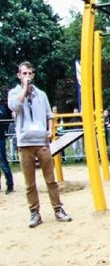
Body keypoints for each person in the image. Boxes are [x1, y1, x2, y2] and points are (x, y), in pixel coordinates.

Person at [7, 61, 72, 228]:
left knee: (51, 179)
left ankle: (58, 209)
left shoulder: (41, 94)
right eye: (24, 73)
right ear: (19, 75)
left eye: (30, 73)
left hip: (41, 141)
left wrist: (50, 130)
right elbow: (14, 106)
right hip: (24, 143)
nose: (27, 76)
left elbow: (50, 114)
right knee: (29, 183)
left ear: (33, 74)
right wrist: (24, 89)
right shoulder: (14, 93)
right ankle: (34, 213)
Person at [0, 100, 13, 194]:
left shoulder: (3, 107)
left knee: (3, 162)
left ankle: (10, 184)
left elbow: (10, 116)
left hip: (0, 137)